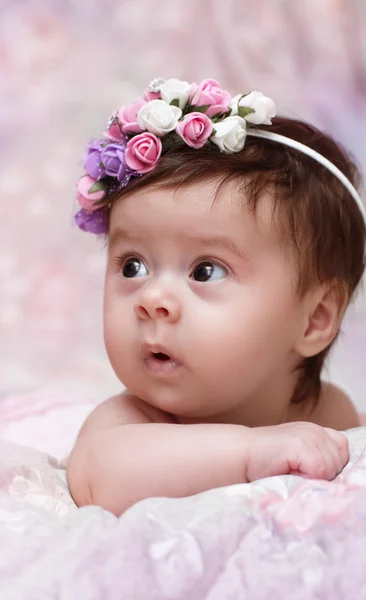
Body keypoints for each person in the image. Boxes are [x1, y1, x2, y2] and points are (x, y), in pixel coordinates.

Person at [67, 78, 365, 516]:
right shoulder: (128, 424)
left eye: (205, 271)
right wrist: (248, 453)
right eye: (133, 265)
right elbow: (101, 478)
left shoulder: (327, 409)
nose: (152, 298)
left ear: (314, 320)